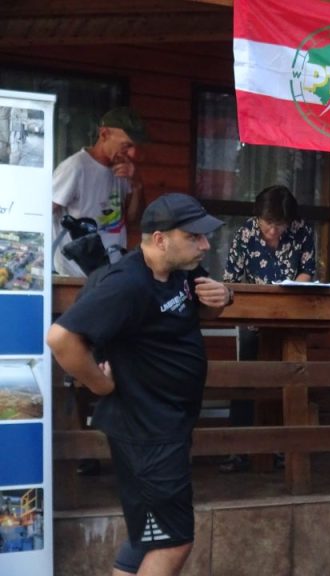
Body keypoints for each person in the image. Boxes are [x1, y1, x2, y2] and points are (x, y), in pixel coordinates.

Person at [47, 193, 230, 576]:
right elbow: (61, 338)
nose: (204, 244)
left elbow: (201, 308)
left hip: (165, 424)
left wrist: (222, 297)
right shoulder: (127, 284)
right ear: (160, 239)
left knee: (148, 536)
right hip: (146, 431)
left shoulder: (180, 270)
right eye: (194, 236)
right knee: (174, 541)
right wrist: (99, 386)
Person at [220, 184, 316, 473]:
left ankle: (283, 449)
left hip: (290, 320)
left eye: (280, 224)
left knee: (288, 379)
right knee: (246, 381)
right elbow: (230, 278)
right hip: (252, 317)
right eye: (268, 223)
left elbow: (307, 270)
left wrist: (296, 285)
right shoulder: (245, 234)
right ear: (258, 217)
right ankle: (239, 451)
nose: (273, 231)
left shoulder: (302, 231)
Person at [52, 107, 146, 277]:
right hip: (77, 275)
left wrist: (137, 185)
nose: (132, 153)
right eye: (126, 145)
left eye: (135, 147)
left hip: (112, 272)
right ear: (104, 134)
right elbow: (45, 212)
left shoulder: (123, 169)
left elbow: (133, 220)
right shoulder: (75, 167)